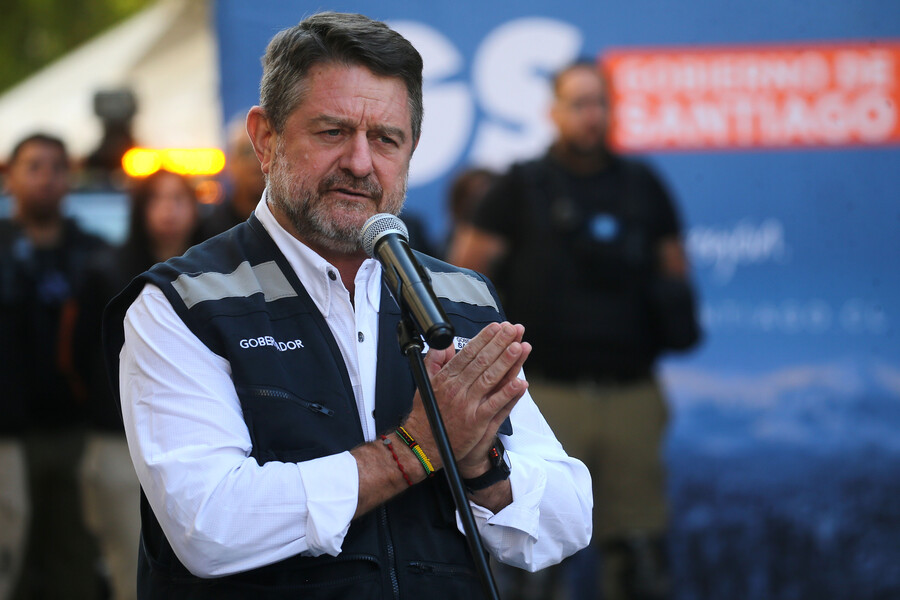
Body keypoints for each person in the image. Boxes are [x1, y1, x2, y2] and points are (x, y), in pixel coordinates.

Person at [102, 12, 592, 599]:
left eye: (386, 139)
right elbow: (209, 525)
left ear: (411, 152)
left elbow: (566, 520)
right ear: (265, 138)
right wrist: (414, 449)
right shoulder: (181, 302)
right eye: (333, 132)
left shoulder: (459, 297)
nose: (360, 163)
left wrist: (480, 467)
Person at [450, 60, 701, 600]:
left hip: (632, 394)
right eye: (579, 103)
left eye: (600, 103)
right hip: (543, 396)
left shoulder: (642, 186)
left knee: (639, 557)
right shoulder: (520, 186)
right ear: (554, 112)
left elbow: (676, 275)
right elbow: (462, 282)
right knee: (533, 559)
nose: (591, 115)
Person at [75, 169, 202, 600]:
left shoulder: (223, 271)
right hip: (119, 439)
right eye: (157, 199)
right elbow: (77, 356)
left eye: (179, 199)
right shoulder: (106, 270)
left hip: (200, 439)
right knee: (129, 570)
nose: (169, 210)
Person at [0, 133, 108, 599]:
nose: (46, 177)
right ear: (10, 177)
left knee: (76, 557)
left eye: (57, 167)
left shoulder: (95, 254)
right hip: (8, 434)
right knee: (11, 556)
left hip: (77, 429)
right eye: (34, 166)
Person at [197, 112, 266, 240]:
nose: (255, 161)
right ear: (230, 163)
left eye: (263, 150)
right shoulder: (208, 229)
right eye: (246, 152)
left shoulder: (291, 226)